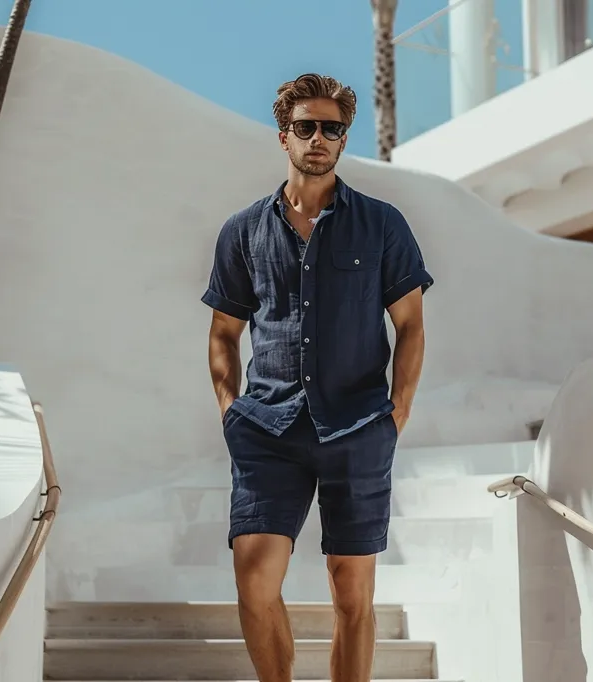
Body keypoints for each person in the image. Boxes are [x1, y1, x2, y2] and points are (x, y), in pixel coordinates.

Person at [201, 73, 433, 682]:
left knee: (351, 592)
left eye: (332, 129)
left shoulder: (383, 225)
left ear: (342, 138)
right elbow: (224, 332)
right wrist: (231, 408)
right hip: (267, 428)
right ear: (285, 136)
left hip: (358, 425)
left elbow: (410, 325)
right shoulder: (243, 231)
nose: (320, 138)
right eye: (307, 127)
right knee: (255, 579)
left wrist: (396, 411)